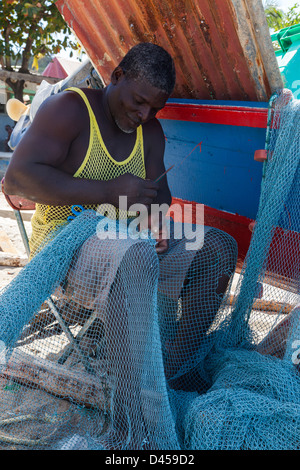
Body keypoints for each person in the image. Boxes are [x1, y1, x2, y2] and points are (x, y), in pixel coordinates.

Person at [4, 43, 237, 448]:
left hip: (131, 242)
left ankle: (170, 374)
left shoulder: (149, 132)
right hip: (65, 242)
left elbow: (158, 198)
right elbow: (17, 180)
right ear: (117, 77)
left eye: (155, 109)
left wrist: (157, 222)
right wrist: (110, 191)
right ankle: (131, 424)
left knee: (217, 247)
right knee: (135, 253)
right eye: (138, 101)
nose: (144, 114)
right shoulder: (70, 110)